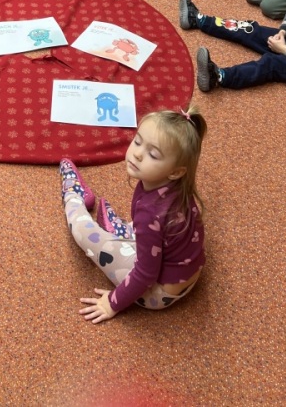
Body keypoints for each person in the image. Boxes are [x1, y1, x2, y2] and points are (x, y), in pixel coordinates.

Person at [60, 107, 206, 324]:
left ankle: (74, 195)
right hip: (186, 276)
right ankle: (121, 231)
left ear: (176, 171)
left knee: (83, 231)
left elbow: (145, 275)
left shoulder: (151, 214)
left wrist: (112, 303)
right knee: (146, 233)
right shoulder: (180, 186)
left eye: (153, 154)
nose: (137, 153)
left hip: (158, 293)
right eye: (137, 142)